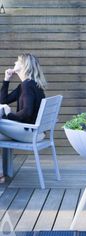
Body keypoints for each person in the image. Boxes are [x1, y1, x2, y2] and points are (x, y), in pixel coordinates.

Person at [0, 53, 47, 182]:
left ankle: (0, 175)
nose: (15, 62)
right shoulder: (27, 85)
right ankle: (3, 174)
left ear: (24, 66)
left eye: (17, 61)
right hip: (34, 131)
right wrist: (6, 79)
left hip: (30, 132)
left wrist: (8, 114)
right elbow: (3, 100)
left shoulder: (27, 86)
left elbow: (26, 113)